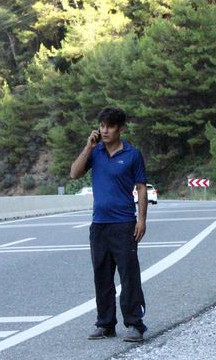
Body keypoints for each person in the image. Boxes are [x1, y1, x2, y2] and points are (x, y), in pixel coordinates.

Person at [70, 107, 148, 342]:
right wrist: (88, 147)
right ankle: (105, 324)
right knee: (102, 277)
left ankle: (135, 324)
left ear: (120, 129)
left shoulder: (133, 155)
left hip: (124, 223)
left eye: (110, 126)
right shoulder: (95, 153)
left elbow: (141, 188)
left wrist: (142, 220)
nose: (104, 130)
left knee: (128, 276)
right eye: (102, 125)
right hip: (99, 225)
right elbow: (74, 174)